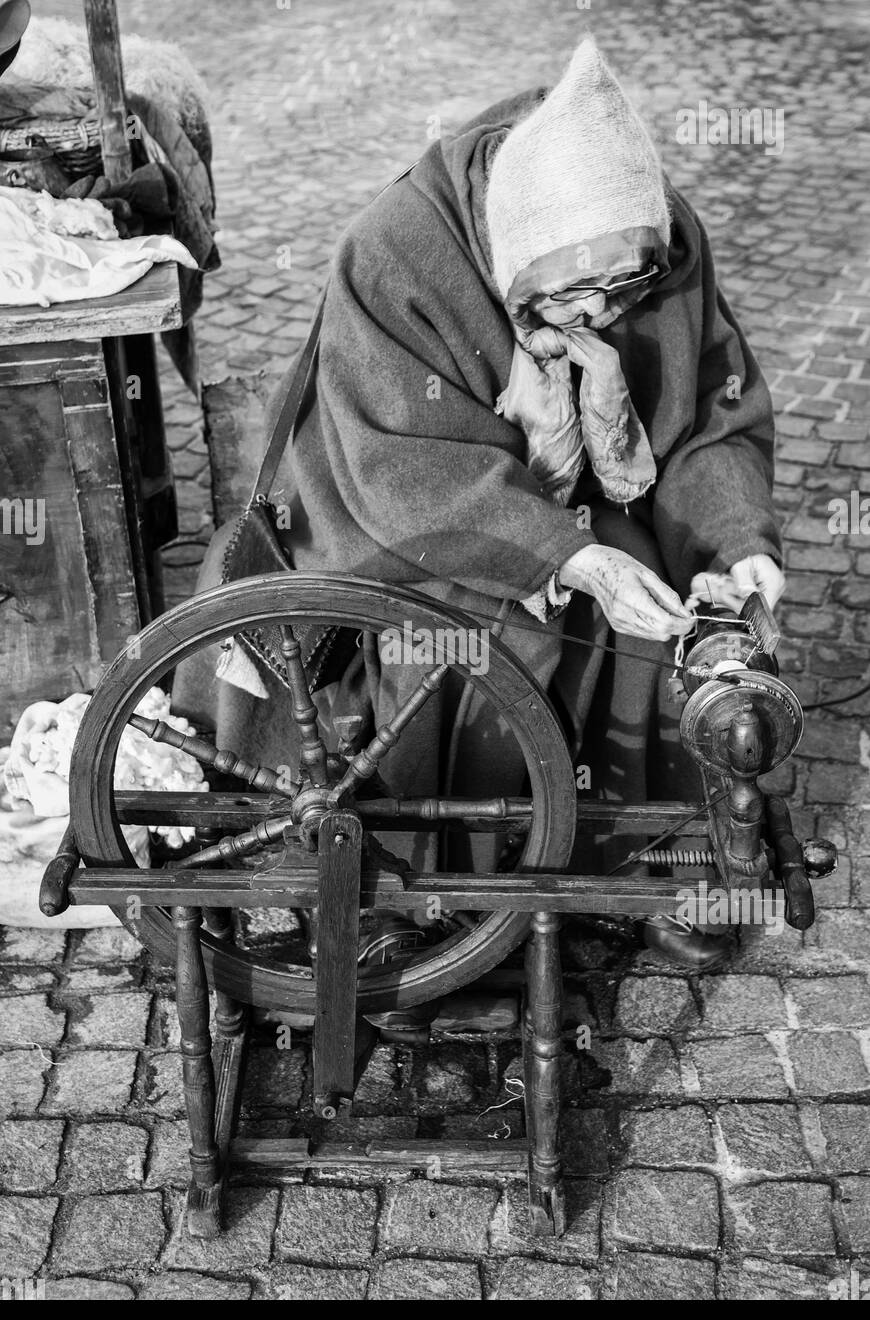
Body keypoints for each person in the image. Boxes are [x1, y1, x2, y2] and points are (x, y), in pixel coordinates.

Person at [174, 37, 784, 971]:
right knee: (468, 629)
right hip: (386, 509)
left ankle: (643, 860)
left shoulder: (656, 239)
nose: (602, 317)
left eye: (624, 290)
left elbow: (709, 421)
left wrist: (737, 545)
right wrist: (562, 555)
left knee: (667, 598)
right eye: (569, 298)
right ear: (512, 259)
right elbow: (396, 473)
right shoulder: (397, 249)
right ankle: (429, 884)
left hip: (561, 495)